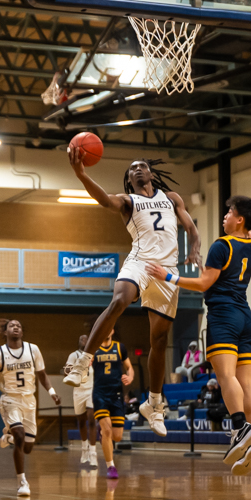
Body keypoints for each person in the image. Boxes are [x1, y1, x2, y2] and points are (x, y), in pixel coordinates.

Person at [61, 152, 201, 440]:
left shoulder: (172, 198)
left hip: (167, 270)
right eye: (132, 169)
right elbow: (103, 200)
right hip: (139, 262)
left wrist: (195, 247)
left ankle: (154, 404)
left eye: (142, 166)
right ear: (129, 179)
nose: (138, 170)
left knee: (159, 341)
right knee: (120, 300)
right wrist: (81, 174)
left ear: (150, 174)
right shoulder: (128, 202)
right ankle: (84, 361)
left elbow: (190, 226)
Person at [147, 195, 251, 475]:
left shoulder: (222, 244)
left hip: (223, 317)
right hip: (246, 318)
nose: (225, 216)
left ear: (239, 219)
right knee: (247, 381)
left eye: (230, 212)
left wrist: (168, 277)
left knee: (226, 378)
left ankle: (239, 429)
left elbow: (205, 283)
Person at [0, 320, 61, 496]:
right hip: (10, 400)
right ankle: (22, 482)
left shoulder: (33, 349)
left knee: (27, 448)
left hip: (29, 401)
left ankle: (9, 437)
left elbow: (42, 374)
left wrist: (52, 392)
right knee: (20, 434)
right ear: (5, 332)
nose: (16, 327)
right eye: (11, 325)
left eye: (19, 325)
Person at [92, 330, 134, 478]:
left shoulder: (120, 347)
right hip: (100, 394)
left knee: (117, 436)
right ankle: (111, 467)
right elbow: (84, 366)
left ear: (113, 330)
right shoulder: (93, 348)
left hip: (116, 394)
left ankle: (103, 434)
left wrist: (130, 377)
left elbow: (129, 367)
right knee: (107, 431)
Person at [65, 335, 97, 467]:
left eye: (86, 338)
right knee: (81, 421)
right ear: (78, 342)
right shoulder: (74, 355)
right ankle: (84, 449)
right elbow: (66, 370)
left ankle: (93, 453)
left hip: (91, 389)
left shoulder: (94, 355)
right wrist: (72, 370)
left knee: (91, 418)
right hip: (78, 391)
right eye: (81, 338)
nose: (84, 339)